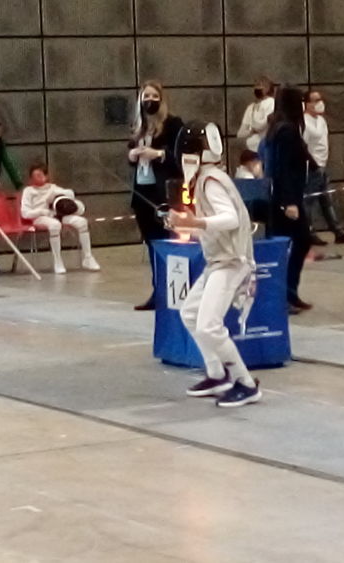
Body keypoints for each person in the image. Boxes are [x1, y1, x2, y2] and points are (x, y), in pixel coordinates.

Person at [168, 121, 261, 408]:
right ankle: (217, 374)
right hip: (219, 260)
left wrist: (195, 221)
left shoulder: (210, 181)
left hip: (232, 262)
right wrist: (185, 225)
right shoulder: (206, 178)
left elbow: (229, 219)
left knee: (209, 325)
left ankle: (245, 383)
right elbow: (212, 229)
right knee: (190, 313)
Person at [128, 80, 183, 311]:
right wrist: (132, 155)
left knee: (166, 241)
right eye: (146, 96)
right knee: (151, 243)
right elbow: (131, 154)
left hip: (162, 191)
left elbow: (179, 155)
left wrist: (158, 153)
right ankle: (158, 290)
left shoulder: (173, 124)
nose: (149, 100)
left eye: (154, 96)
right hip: (142, 189)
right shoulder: (139, 126)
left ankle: (174, 289)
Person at [265, 85, 313, 314]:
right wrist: (289, 202)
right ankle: (285, 294)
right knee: (299, 241)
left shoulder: (280, 128)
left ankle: (290, 294)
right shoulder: (286, 131)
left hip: (283, 197)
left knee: (296, 243)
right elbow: (283, 168)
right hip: (286, 199)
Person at [20, 163, 101, 274]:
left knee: (82, 222)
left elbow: (70, 194)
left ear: (46, 175)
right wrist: (41, 211)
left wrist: (58, 193)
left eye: (40, 175)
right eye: (34, 176)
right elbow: (25, 213)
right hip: (40, 218)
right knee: (55, 225)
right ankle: (58, 261)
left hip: (57, 215)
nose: (37, 178)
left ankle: (88, 257)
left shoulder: (53, 188)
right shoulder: (28, 191)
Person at [303, 89, 344, 245]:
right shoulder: (304, 122)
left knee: (327, 201)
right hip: (312, 167)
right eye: (315, 100)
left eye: (320, 99)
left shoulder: (321, 121)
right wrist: (312, 164)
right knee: (308, 202)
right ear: (307, 104)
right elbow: (303, 146)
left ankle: (338, 232)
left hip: (323, 166)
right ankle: (309, 233)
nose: (319, 103)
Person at [236, 75, 276, 152]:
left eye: (260, 85)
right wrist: (252, 131)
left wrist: (252, 129)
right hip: (251, 150)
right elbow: (240, 134)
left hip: (266, 148)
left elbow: (261, 125)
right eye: (256, 85)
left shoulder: (272, 103)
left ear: (268, 88)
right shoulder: (251, 107)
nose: (257, 87)